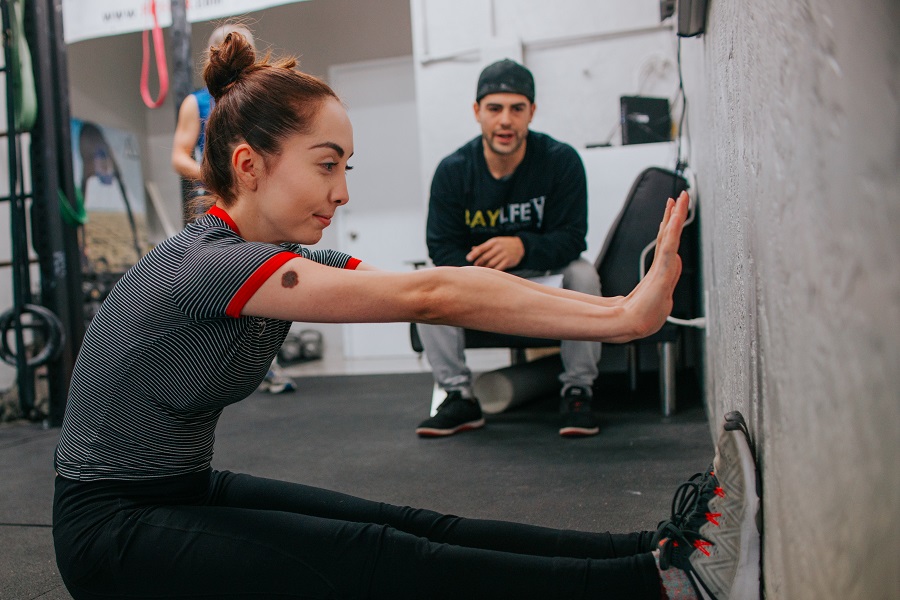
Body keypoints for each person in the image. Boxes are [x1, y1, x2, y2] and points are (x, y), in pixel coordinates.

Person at [52, 31, 759, 599]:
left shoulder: (272, 256)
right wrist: (626, 322)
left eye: (346, 170)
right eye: (327, 165)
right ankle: (666, 585)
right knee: (379, 558)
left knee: (411, 524)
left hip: (179, 491)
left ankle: (658, 552)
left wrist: (620, 307)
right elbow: (432, 299)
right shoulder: (215, 265)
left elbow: (445, 283)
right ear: (248, 165)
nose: (342, 193)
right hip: (112, 531)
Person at [415, 59, 603, 439]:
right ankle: (458, 396)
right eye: (495, 109)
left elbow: (573, 237)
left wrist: (522, 247)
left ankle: (577, 390)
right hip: (479, 277)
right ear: (477, 112)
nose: (505, 120)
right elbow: (441, 246)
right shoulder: (453, 170)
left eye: (517, 109)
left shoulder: (560, 160)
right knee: (423, 281)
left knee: (583, 274)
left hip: (540, 273)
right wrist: (484, 278)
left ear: (531, 112)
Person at [171, 23, 296, 394]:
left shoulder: (262, 99)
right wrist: (220, 177)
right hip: (216, 205)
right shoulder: (196, 103)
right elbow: (179, 156)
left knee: (267, 275)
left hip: (258, 201)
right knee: (215, 283)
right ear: (214, 54)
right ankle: (208, 368)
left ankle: (263, 365)